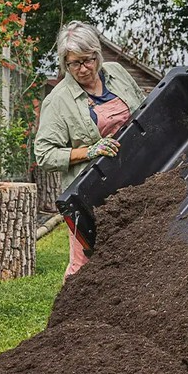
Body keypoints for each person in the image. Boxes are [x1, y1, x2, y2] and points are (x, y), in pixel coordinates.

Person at [34, 21, 146, 279]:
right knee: (84, 262)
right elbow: (44, 154)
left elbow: (143, 109)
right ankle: (67, 317)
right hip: (90, 191)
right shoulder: (58, 100)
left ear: (97, 54)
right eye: (75, 63)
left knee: (132, 255)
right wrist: (90, 151)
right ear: (65, 63)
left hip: (133, 179)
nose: (84, 69)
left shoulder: (116, 73)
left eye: (88, 60)